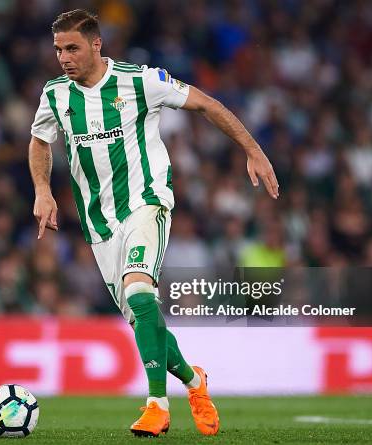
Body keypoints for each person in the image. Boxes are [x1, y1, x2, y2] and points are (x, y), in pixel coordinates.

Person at [29, 9, 279, 437]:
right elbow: (39, 141)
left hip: (147, 202)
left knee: (140, 291)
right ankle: (195, 382)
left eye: (72, 48)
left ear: (96, 44)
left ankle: (156, 406)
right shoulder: (54, 95)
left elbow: (207, 104)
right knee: (144, 319)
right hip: (99, 224)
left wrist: (252, 149)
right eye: (58, 50)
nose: (64, 58)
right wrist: (42, 190)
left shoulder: (141, 80)